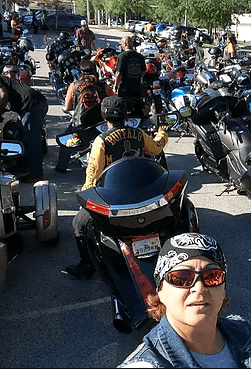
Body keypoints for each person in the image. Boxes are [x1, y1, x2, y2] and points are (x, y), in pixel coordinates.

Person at [119, 233, 251, 368]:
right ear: (160, 292)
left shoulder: (243, 332)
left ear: (223, 290)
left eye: (212, 276)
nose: (200, 287)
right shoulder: (147, 363)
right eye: (182, 278)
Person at [64, 96, 169, 279]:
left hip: (116, 197)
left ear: (104, 116)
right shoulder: (138, 134)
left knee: (78, 225)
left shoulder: (101, 140)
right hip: (142, 192)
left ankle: (87, 265)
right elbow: (156, 149)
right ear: (125, 115)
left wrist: (85, 195)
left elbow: (94, 172)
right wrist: (162, 134)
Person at [0, 74, 48, 182]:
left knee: (31, 139)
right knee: (21, 135)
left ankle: (36, 174)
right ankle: (24, 165)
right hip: (33, 104)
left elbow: (2, 94)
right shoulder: (2, 81)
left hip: (32, 105)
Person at [55, 60, 115, 173]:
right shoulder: (104, 85)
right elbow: (113, 100)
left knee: (65, 142)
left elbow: (67, 107)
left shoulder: (74, 85)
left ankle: (61, 167)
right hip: (100, 124)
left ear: (80, 71)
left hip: (80, 124)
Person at [114, 36, 146, 110]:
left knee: (124, 110)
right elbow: (143, 71)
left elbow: (119, 73)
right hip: (137, 87)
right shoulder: (140, 56)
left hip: (125, 89)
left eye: (121, 44)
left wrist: (115, 86)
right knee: (137, 109)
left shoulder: (122, 56)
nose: (120, 46)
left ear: (125, 44)